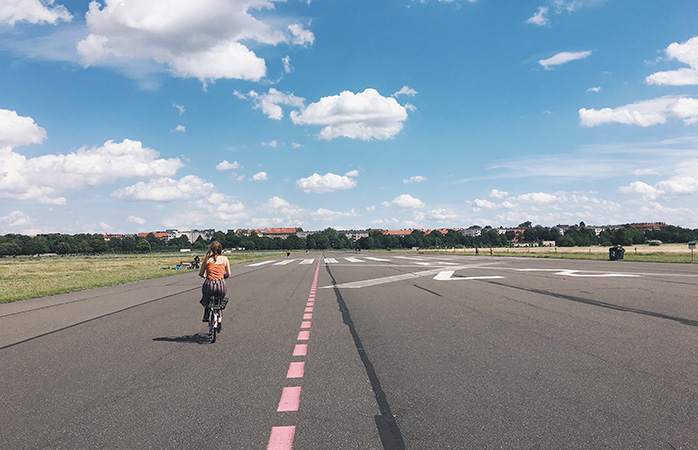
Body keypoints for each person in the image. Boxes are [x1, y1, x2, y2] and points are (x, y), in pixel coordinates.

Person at [198, 241, 231, 322]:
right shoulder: (224, 259)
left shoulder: (207, 259)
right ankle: (219, 319)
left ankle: (206, 312)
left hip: (209, 283)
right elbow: (228, 273)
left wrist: (205, 276)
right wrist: (223, 277)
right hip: (220, 284)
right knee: (219, 301)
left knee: (206, 298)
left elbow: (201, 273)